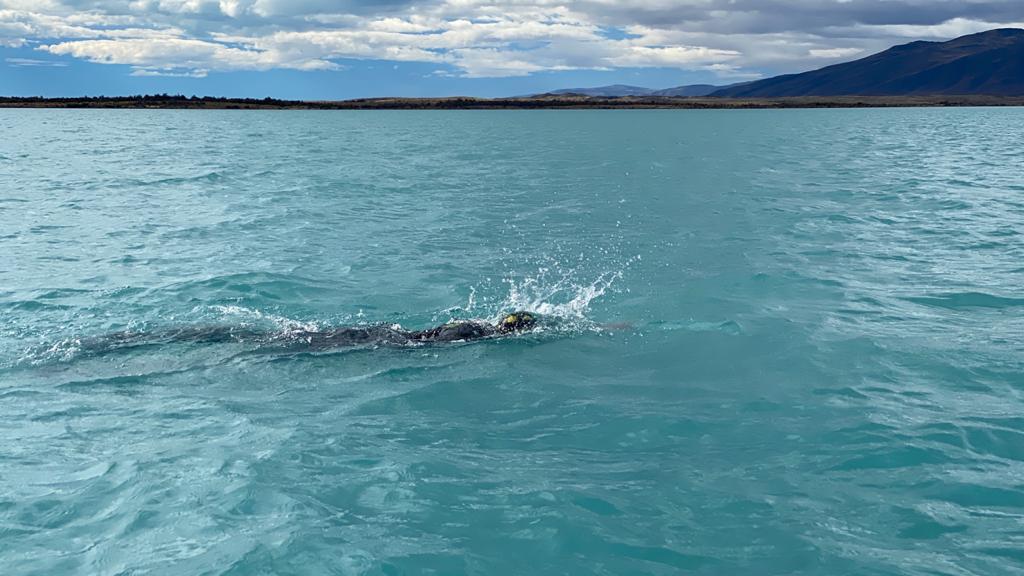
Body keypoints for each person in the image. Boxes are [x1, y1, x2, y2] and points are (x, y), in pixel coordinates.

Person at [81, 311, 540, 353]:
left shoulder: (471, 325)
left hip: (370, 332)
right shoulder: (473, 338)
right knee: (266, 346)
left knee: (261, 340)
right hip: (376, 343)